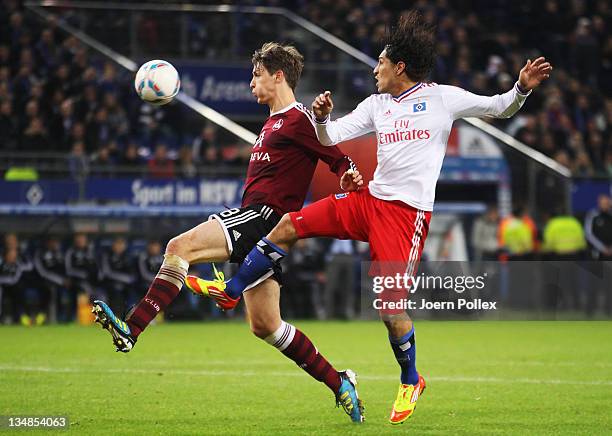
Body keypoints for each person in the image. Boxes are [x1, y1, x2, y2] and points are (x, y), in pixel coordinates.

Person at [190, 12, 552, 425]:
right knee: (288, 225)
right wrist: (322, 117)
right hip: (368, 200)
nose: (374, 68)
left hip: (405, 216)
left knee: (389, 308)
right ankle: (233, 289)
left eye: (380, 62)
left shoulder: (442, 99)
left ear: (399, 67)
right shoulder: (376, 104)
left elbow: (500, 107)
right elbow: (332, 137)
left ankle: (411, 378)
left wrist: (521, 88)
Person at [92, 42, 365, 423]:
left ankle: (132, 327)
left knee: (179, 246)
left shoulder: (298, 119)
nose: (251, 82)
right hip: (266, 235)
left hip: (261, 219)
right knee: (266, 326)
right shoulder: (271, 124)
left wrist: (348, 173)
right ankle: (339, 382)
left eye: (256, 74)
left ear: (278, 75)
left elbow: (335, 155)